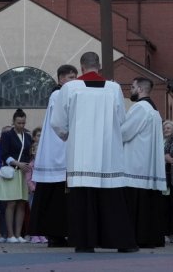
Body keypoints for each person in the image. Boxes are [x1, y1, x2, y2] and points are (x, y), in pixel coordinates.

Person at [51, 52, 137, 253]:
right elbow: (121, 120)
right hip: (108, 153)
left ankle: (85, 243)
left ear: (81, 68)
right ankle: (121, 242)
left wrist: (67, 135)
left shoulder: (70, 88)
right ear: (99, 67)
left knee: (82, 198)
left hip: (80, 154)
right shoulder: (114, 88)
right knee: (112, 199)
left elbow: (57, 122)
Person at [29, 64, 77, 247]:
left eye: (75, 77)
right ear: (60, 79)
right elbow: (64, 120)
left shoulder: (63, 94)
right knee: (56, 198)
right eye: (70, 78)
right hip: (58, 150)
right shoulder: (58, 95)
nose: (74, 81)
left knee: (60, 199)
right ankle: (55, 234)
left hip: (61, 149)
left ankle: (60, 233)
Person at [122, 77, 167, 248]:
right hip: (147, 164)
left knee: (135, 204)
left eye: (132, 87)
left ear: (140, 89)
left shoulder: (140, 108)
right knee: (147, 204)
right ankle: (149, 238)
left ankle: (136, 237)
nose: (130, 90)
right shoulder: (153, 110)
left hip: (136, 164)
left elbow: (125, 133)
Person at [0, 108, 32, 243]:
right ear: (13, 122)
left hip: (23, 173)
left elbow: (28, 153)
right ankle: (10, 235)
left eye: (23, 123)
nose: (21, 126)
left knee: (22, 202)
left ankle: (18, 234)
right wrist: (18, 163)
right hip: (12, 171)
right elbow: (4, 154)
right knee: (11, 203)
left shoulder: (27, 136)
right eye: (19, 123)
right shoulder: (7, 135)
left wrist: (26, 165)